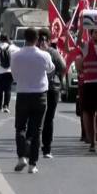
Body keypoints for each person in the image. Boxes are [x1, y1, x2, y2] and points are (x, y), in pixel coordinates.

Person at [11, 28, 55, 174]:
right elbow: (50, 69)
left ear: (24, 38)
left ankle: (21, 156)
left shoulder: (16, 55)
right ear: (37, 40)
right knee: (37, 131)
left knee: (20, 127)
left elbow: (14, 75)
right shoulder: (44, 55)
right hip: (40, 95)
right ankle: (32, 164)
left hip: (23, 94)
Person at [38, 29, 66, 159]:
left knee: (43, 118)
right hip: (46, 88)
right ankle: (43, 147)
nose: (43, 42)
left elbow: (62, 66)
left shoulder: (48, 52)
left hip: (44, 88)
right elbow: (63, 66)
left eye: (44, 40)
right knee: (44, 118)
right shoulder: (48, 52)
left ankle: (42, 147)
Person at [0, 34, 19, 113]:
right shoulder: (13, 48)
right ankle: (6, 105)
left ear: (0, 39)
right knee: (8, 89)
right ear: (8, 39)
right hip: (9, 72)